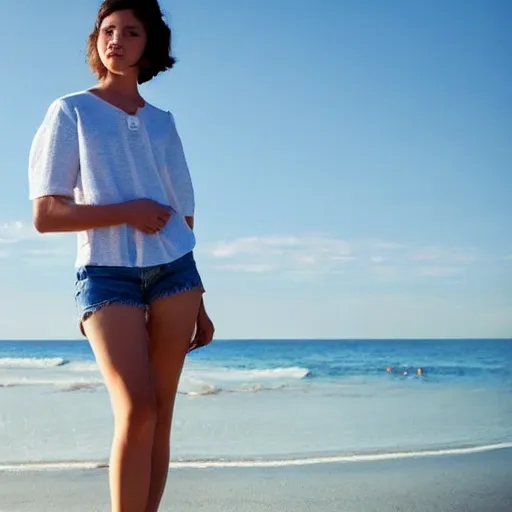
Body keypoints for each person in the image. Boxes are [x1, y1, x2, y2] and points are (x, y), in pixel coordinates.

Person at [27, 1, 214, 510]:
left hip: (177, 271)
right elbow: (47, 213)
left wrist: (199, 299)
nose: (116, 41)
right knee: (136, 410)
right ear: (96, 40)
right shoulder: (71, 111)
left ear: (147, 45)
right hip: (106, 275)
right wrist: (127, 210)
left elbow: (183, 215)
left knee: (162, 413)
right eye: (108, 31)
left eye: (131, 32)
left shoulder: (163, 123)